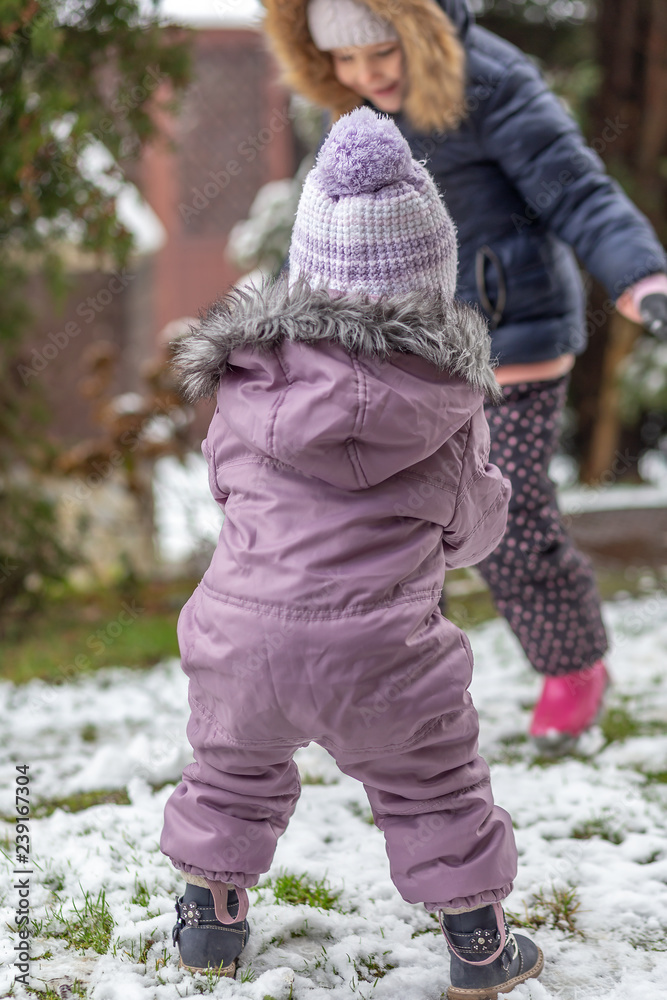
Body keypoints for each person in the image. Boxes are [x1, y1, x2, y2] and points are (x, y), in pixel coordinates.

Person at [161, 108, 544, 997]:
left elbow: (222, 486)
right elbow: (471, 534)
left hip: (240, 640)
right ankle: (479, 948)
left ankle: (210, 922)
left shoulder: (248, 388)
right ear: (429, 284)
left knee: (230, 771)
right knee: (435, 787)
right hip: (383, 659)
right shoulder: (447, 411)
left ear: (307, 274)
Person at [262, 0, 667, 750]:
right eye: (342, 61)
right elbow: (327, 220)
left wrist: (640, 275)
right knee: (401, 525)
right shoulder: (354, 104)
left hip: (512, 335)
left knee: (503, 516)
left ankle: (571, 664)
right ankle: (408, 693)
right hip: (417, 350)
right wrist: (286, 322)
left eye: (380, 51)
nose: (363, 73)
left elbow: (578, 189)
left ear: (417, 30)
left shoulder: (495, 83)